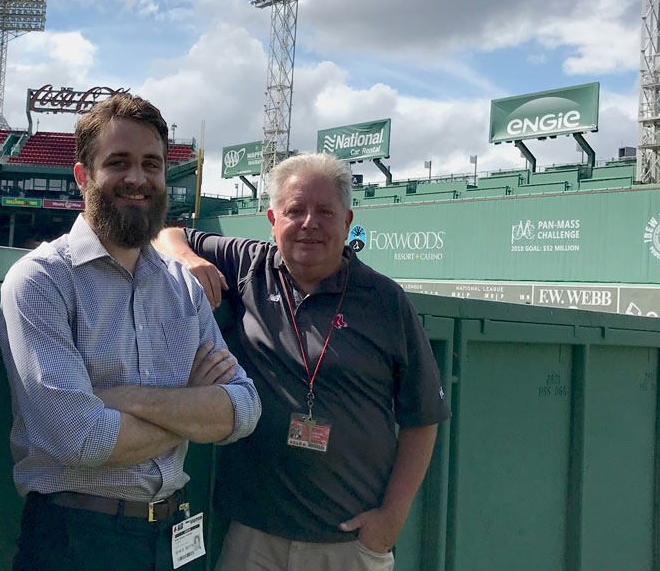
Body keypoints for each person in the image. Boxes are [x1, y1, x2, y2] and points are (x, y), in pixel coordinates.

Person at [0, 93, 260, 571]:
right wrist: (193, 404)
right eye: (118, 162)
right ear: (83, 176)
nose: (137, 178)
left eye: (151, 164)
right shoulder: (41, 279)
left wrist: (119, 399)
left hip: (176, 537)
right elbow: (84, 440)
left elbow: (243, 410)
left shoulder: (182, 286)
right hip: (76, 539)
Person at [154, 153, 450, 571]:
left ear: (347, 223)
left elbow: (424, 417)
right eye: (296, 211)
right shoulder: (249, 265)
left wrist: (388, 523)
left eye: (325, 211)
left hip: (347, 543)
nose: (309, 223)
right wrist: (188, 260)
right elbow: (166, 233)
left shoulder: (385, 301)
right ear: (273, 220)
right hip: (254, 536)